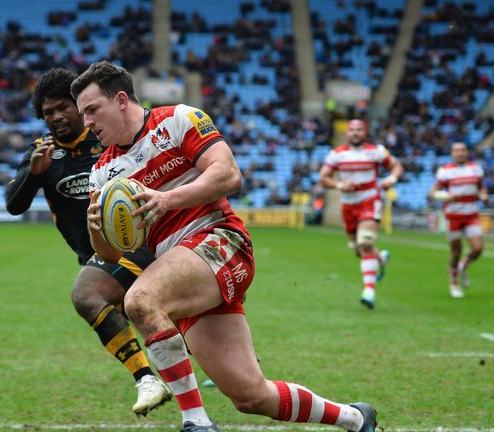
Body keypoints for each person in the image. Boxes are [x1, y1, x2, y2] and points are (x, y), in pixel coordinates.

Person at [73, 60, 377, 432]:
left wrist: (168, 199)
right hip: (182, 268)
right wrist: (96, 230)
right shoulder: (102, 173)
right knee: (251, 396)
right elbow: (109, 254)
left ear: (120, 100)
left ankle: (196, 422)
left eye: (92, 110)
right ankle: (356, 418)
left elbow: (228, 173)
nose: (86, 122)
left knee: (140, 300)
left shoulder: (178, 119)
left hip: (219, 239)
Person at [4, 67, 171, 416]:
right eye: (48, 112)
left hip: (139, 242)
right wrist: (34, 173)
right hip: (95, 254)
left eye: (64, 107)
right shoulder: (42, 153)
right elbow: (13, 205)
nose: (57, 117)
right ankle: (189, 367)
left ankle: (147, 379)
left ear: (80, 107)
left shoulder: (108, 138)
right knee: (150, 311)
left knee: (88, 295)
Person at [318, 119, 403, 309]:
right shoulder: (337, 154)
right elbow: (323, 178)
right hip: (348, 206)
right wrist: (340, 185)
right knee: (358, 248)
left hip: (370, 201)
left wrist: (392, 178)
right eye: (352, 130)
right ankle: (380, 257)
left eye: (359, 130)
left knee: (365, 241)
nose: (355, 133)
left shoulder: (376, 151)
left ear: (365, 132)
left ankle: (369, 291)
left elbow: (397, 166)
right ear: (347, 133)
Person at [427, 142, 487, 298]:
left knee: (478, 248)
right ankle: (453, 282)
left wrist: (483, 195)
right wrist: (446, 196)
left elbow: (481, 187)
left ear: (467, 152)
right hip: (453, 216)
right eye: (456, 151)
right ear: (452, 154)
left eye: (462, 150)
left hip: (471, 214)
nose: (460, 153)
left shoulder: (476, 169)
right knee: (456, 250)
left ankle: (463, 266)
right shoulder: (445, 171)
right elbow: (432, 193)